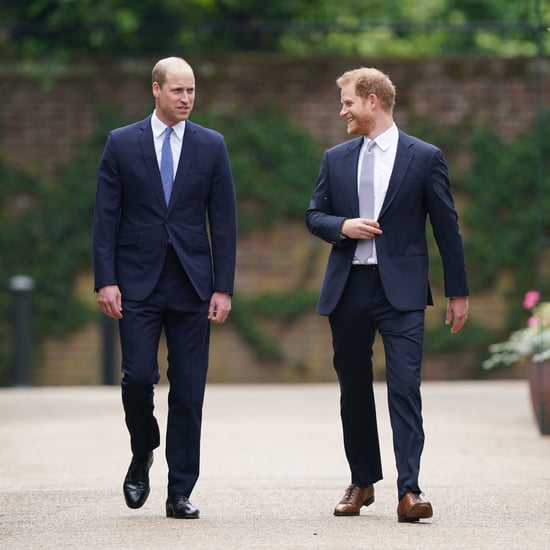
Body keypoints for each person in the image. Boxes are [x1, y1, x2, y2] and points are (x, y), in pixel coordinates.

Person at [306, 67, 469, 523]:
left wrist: (457, 291)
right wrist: (343, 226)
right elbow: (313, 215)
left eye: (348, 102)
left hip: (403, 291)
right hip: (350, 287)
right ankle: (362, 483)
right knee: (354, 388)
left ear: (373, 101)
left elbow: (446, 227)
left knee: (404, 387)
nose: (343, 111)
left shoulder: (424, 157)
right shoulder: (335, 159)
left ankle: (410, 490)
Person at [92, 57, 237, 519]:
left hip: (193, 284)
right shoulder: (121, 143)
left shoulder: (212, 145)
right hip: (136, 281)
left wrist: (223, 287)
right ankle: (143, 448)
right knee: (137, 379)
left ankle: (179, 492)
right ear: (155, 89)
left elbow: (225, 223)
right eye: (178, 90)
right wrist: (106, 279)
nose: (187, 98)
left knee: (189, 391)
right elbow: (105, 218)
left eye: (192, 90)